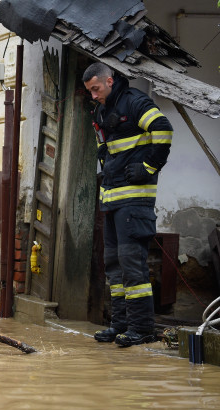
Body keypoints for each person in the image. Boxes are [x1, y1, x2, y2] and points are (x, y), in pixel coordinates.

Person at [83, 62, 173, 347]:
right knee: (114, 266)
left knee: (133, 266)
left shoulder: (134, 102)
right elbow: (107, 149)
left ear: (109, 81)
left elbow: (163, 129)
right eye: (90, 91)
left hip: (135, 201)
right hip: (112, 200)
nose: (93, 95)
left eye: (96, 89)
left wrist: (149, 166)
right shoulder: (102, 109)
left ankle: (142, 328)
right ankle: (119, 325)